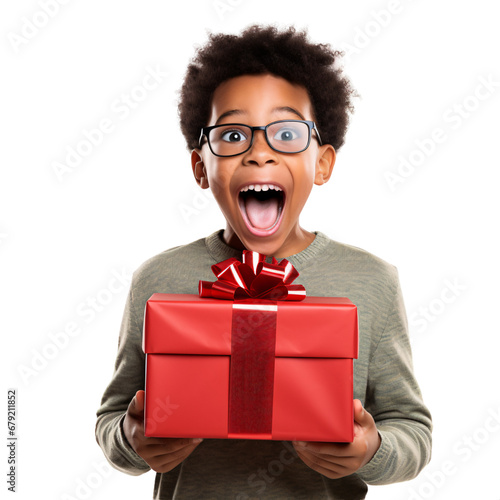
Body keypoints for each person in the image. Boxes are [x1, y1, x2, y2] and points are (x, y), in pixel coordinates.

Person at [95, 25, 432, 499]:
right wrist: (131, 440)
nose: (258, 153)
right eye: (233, 134)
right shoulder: (156, 279)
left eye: (288, 133)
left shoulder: (371, 280)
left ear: (322, 163)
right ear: (200, 166)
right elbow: (112, 421)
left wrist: (372, 449)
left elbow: (413, 431)